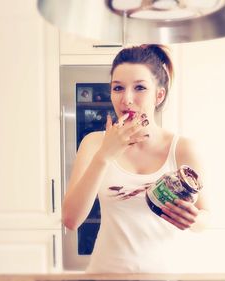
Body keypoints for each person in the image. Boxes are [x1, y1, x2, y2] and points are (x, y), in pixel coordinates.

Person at [62, 44, 210, 273]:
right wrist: (104, 156)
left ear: (158, 95)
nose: (126, 99)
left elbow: (206, 217)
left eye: (140, 87)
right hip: (105, 274)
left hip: (164, 275)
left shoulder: (182, 149)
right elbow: (71, 220)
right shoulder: (94, 144)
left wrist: (193, 220)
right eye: (118, 88)